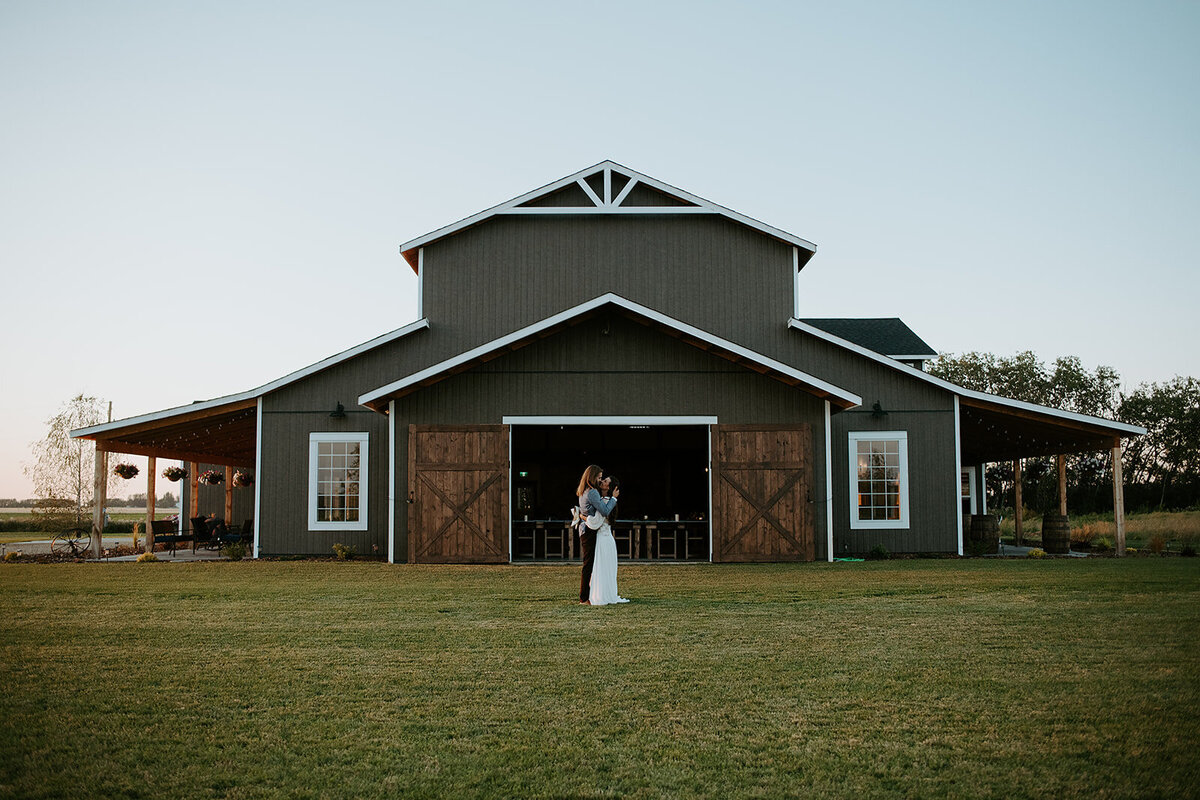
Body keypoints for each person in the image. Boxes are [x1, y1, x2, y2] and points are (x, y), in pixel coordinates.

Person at [575, 465, 617, 605]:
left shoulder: (584, 491)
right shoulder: (592, 492)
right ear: (592, 476)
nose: (600, 480)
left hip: (586, 529)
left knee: (590, 564)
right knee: (589, 564)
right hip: (590, 531)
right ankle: (584, 598)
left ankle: (589, 595)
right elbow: (604, 511)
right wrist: (614, 499)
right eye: (599, 477)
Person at [588, 475, 629, 606]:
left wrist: (582, 517)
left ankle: (602, 595)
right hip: (606, 539)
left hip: (603, 539)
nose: (602, 481)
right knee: (604, 568)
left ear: (609, 487)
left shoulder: (606, 502)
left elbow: (596, 522)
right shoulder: (605, 501)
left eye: (605, 481)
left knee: (602, 568)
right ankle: (603, 592)